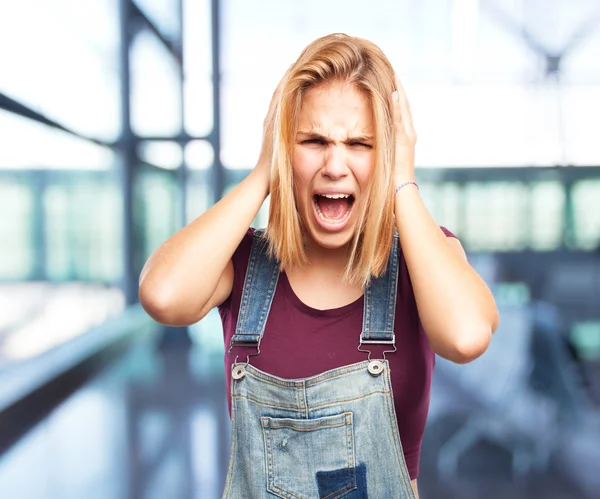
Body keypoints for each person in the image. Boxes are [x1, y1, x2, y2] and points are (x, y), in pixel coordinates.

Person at [139, 33, 499, 499]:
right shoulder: (244, 264)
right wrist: (264, 172)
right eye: (312, 140)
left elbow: (466, 337)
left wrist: (402, 179)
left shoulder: (423, 260)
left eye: (360, 144)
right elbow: (162, 295)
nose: (334, 165)